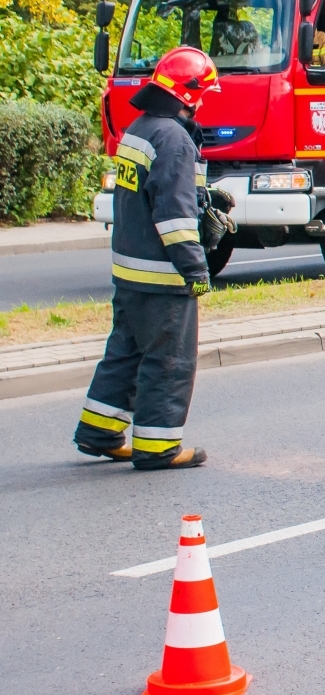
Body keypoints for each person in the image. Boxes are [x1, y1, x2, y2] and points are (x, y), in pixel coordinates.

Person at [74, 46, 220, 469]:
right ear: (189, 93)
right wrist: (196, 269)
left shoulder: (140, 129)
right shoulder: (174, 139)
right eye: (203, 94)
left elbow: (149, 195)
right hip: (163, 277)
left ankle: (99, 432)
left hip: (130, 272)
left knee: (125, 353)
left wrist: (205, 199)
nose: (204, 103)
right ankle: (158, 447)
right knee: (169, 361)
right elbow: (174, 216)